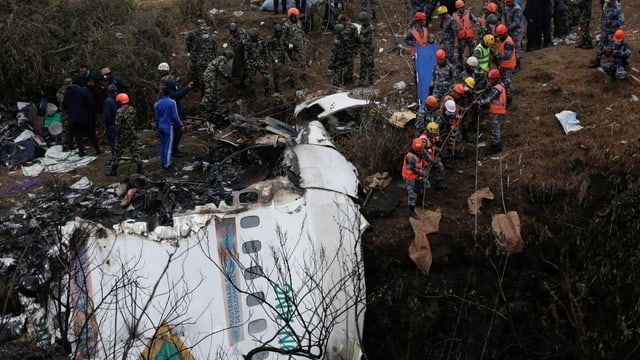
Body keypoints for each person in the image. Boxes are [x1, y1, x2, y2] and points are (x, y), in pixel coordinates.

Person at [62, 76, 101, 157]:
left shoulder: (66, 93)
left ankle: (81, 151)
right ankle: (97, 149)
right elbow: (91, 102)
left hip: (73, 118)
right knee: (91, 134)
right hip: (86, 117)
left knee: (78, 136)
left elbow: (64, 106)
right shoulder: (84, 90)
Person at [106, 93, 142, 176]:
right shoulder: (132, 109)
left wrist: (117, 134)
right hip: (132, 134)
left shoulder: (119, 111)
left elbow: (117, 125)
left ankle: (113, 171)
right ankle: (140, 168)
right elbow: (136, 121)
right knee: (135, 151)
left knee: (117, 153)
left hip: (122, 135)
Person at [474, 69, 507, 155]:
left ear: (496, 79)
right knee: (496, 128)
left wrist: (477, 103)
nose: (489, 81)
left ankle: (496, 146)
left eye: (491, 79)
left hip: (497, 112)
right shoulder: (501, 85)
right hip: (499, 111)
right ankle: (496, 143)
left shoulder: (496, 89)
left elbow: (488, 99)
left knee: (494, 129)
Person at [155, 82, 184, 170]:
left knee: (162, 145)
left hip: (160, 125)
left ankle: (163, 162)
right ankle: (167, 164)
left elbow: (156, 116)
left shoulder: (158, 103)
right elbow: (175, 116)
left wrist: (157, 126)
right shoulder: (172, 102)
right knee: (168, 145)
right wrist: (180, 125)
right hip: (168, 126)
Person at [588, 0, 624, 68]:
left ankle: (616, 64)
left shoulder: (618, 9)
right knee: (601, 46)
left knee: (611, 49)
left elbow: (621, 21)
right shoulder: (606, 7)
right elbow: (604, 18)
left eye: (608, 2)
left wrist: (611, 22)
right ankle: (597, 61)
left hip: (612, 33)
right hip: (605, 31)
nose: (607, 3)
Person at [186, 19, 218, 94]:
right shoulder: (195, 38)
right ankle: (198, 88)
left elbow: (215, 50)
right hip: (199, 62)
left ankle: (207, 90)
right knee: (197, 75)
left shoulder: (212, 41)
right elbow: (192, 48)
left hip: (209, 62)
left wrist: (214, 60)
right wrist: (193, 59)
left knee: (208, 77)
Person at [201, 50, 233, 120]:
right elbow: (220, 69)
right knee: (209, 92)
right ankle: (202, 108)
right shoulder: (222, 58)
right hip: (209, 76)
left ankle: (213, 106)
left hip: (212, 76)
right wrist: (227, 76)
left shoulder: (219, 58)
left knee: (217, 89)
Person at [402, 138, 428, 220]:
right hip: (409, 176)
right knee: (412, 194)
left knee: (425, 185)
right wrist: (422, 173)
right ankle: (411, 212)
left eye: (421, 150)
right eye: (418, 151)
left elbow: (425, 153)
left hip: (417, 175)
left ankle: (419, 201)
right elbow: (413, 169)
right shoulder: (410, 156)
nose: (420, 152)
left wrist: (430, 159)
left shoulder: (420, 148)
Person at [165, 80, 192, 157]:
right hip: (174, 117)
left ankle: (174, 149)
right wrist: (188, 87)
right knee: (177, 133)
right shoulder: (171, 94)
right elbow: (180, 94)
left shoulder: (168, 93)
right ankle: (173, 150)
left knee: (176, 133)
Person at [244, 28, 270, 102]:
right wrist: (248, 63)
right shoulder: (247, 43)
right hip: (252, 63)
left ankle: (267, 92)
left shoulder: (261, 41)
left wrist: (266, 61)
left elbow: (265, 51)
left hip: (260, 61)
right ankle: (253, 96)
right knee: (252, 80)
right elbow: (245, 55)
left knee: (266, 77)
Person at [419, 121, 447, 190]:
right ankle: (421, 193)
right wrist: (429, 159)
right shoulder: (423, 139)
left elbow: (432, 145)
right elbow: (422, 151)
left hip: (432, 158)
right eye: (432, 133)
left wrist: (437, 149)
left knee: (440, 166)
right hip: (424, 161)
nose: (433, 135)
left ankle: (438, 182)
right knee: (423, 178)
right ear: (428, 131)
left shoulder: (432, 136)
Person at [283, 8, 307, 87]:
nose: (298, 16)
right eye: (297, 15)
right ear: (292, 16)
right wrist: (288, 44)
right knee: (292, 64)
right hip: (292, 48)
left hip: (300, 46)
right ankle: (292, 80)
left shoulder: (299, 23)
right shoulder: (286, 25)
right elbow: (283, 38)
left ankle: (305, 75)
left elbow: (302, 32)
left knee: (303, 61)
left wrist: (304, 40)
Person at [452, 0, 479, 66]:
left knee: (472, 52)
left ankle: (472, 65)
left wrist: (477, 28)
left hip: (470, 37)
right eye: (460, 7)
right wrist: (456, 41)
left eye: (462, 7)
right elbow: (454, 28)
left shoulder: (468, 13)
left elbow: (475, 20)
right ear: (457, 8)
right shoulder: (454, 16)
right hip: (461, 38)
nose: (462, 9)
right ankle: (461, 67)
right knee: (460, 53)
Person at [494, 24, 516, 104]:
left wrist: (498, 56)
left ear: (504, 33)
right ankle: (505, 94)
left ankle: (509, 98)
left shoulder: (508, 43)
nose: (499, 37)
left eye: (500, 35)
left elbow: (507, 55)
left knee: (507, 82)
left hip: (508, 66)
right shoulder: (503, 39)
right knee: (501, 79)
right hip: (503, 65)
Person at [502, 0, 524, 72]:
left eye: (509, 2)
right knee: (509, 46)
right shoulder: (506, 6)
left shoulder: (517, 9)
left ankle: (517, 64)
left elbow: (516, 22)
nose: (508, 4)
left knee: (516, 46)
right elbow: (503, 16)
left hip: (516, 31)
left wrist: (507, 29)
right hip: (508, 29)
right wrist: (503, 26)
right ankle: (511, 62)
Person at [56, 77, 75, 151]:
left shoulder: (64, 91)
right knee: (65, 130)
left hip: (68, 112)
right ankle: (65, 145)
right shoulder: (62, 92)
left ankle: (70, 144)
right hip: (65, 113)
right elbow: (63, 102)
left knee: (70, 129)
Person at [358, 11, 376, 86]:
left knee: (370, 65)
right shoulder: (362, 27)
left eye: (363, 21)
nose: (362, 22)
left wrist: (361, 38)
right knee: (363, 65)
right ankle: (361, 80)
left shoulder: (371, 28)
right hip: (363, 49)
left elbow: (369, 39)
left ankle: (371, 80)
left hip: (369, 49)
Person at [102, 84, 118, 165]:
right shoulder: (118, 99)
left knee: (112, 143)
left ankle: (115, 158)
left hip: (110, 124)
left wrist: (105, 122)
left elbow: (106, 114)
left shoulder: (108, 101)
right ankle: (116, 157)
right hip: (117, 123)